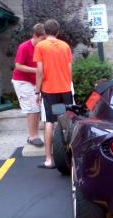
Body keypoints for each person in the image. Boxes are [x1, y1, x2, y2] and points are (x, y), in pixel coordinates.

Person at [34, 19, 73, 169]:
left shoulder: (40, 46)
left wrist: (37, 91)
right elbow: (69, 69)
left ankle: (49, 160)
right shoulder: (65, 46)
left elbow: (40, 71)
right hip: (65, 89)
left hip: (49, 90)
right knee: (66, 120)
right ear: (58, 32)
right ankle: (69, 155)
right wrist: (66, 84)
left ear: (44, 31)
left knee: (50, 121)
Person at [11, 23, 46, 148]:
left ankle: (34, 134)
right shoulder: (24, 47)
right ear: (34, 36)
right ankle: (32, 136)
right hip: (22, 81)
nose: (44, 42)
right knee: (32, 108)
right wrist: (36, 70)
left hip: (35, 81)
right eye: (42, 39)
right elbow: (18, 66)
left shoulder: (42, 48)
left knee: (36, 107)